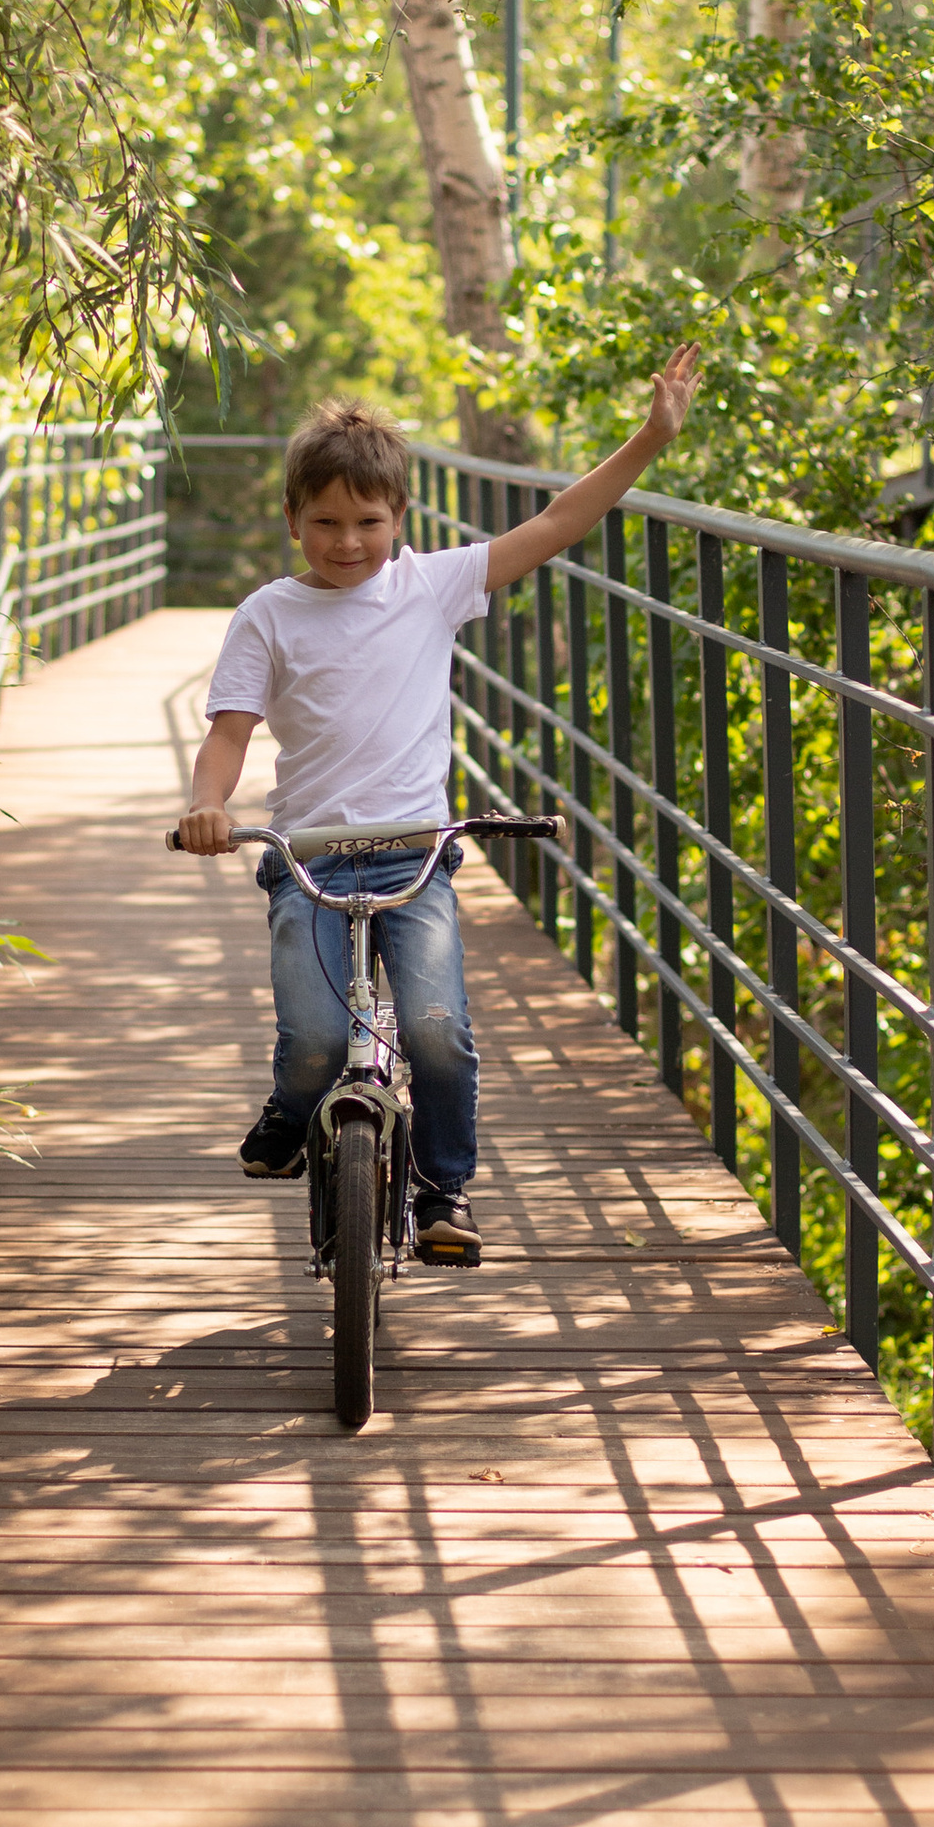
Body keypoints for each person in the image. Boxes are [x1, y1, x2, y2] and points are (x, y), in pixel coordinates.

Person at [174, 349, 704, 1262]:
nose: (348, 542)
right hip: (309, 852)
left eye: (368, 522)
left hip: (415, 853)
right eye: (327, 522)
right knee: (311, 1040)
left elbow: (555, 523)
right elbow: (229, 732)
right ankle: (291, 1108)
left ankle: (442, 1192)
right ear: (293, 518)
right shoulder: (266, 614)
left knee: (436, 1031)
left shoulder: (430, 585)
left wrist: (650, 439)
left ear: (401, 520)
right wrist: (207, 806)